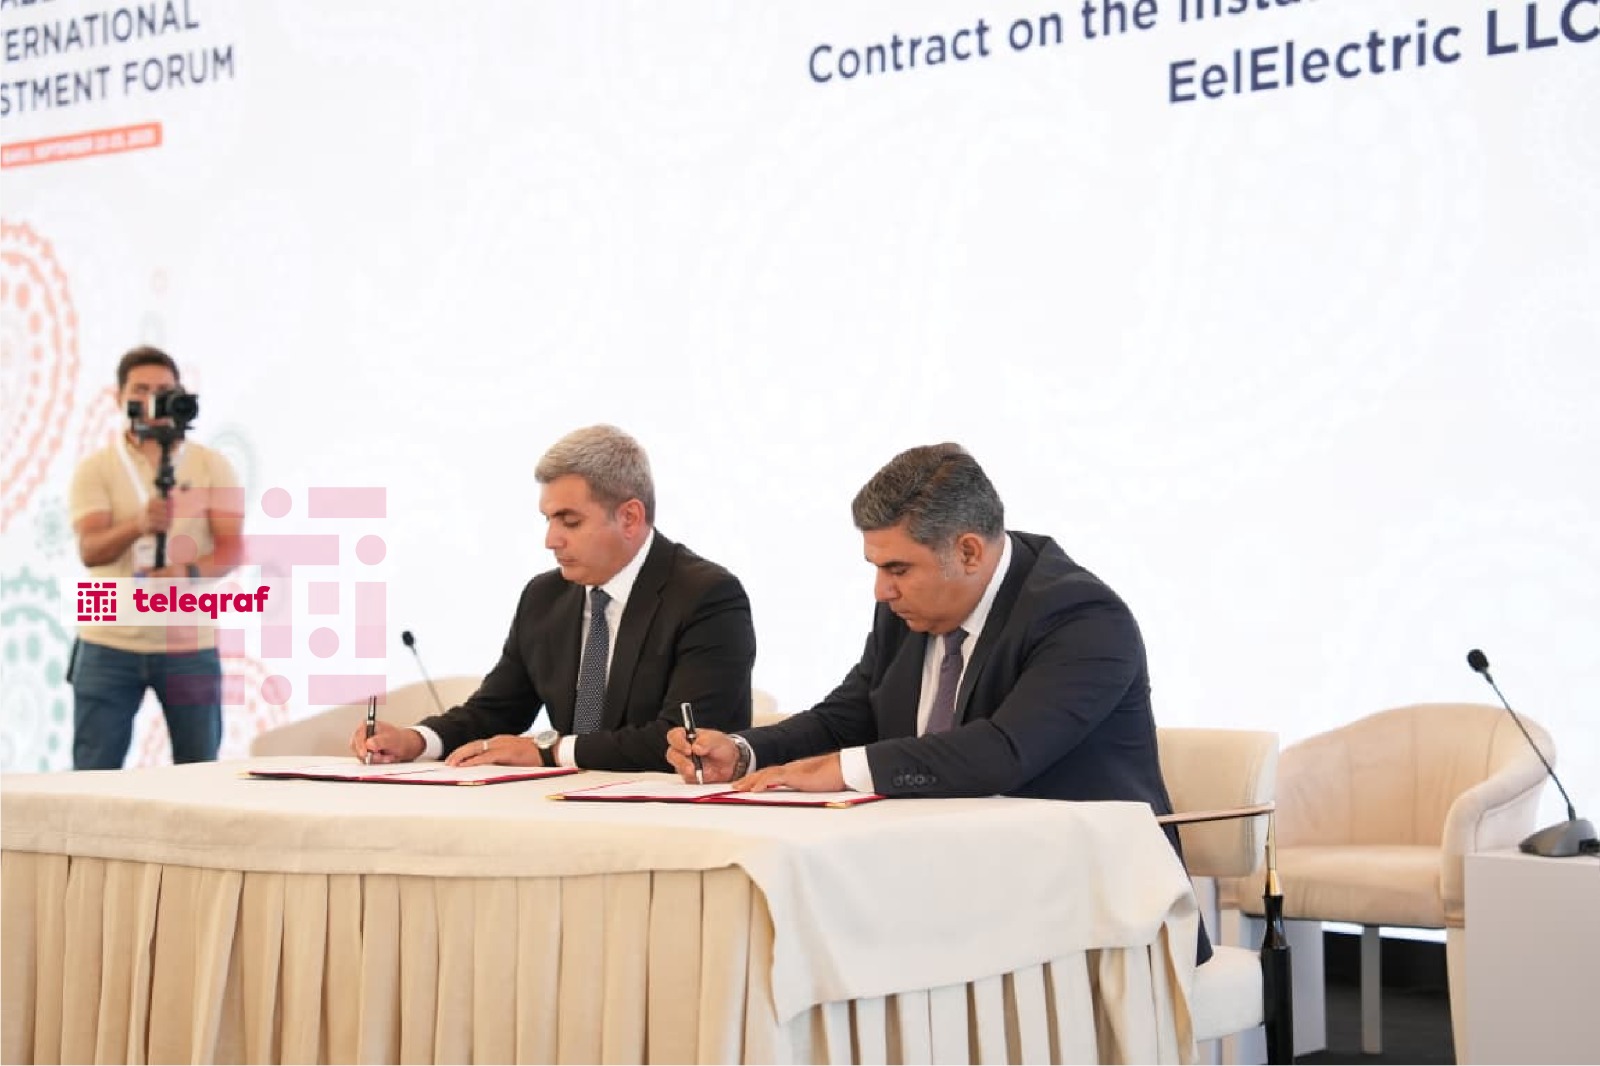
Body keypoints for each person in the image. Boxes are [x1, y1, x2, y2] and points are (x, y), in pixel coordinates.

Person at [666, 442, 1210, 962]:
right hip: (953, 888)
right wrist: (745, 752)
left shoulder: (1082, 617)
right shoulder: (910, 609)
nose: (881, 590)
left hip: (1093, 913)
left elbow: (1003, 752)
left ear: (968, 551)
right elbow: (848, 716)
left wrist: (843, 769)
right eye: (877, 568)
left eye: (897, 569)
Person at [354, 424, 755, 771]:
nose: (551, 540)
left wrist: (547, 751)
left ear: (629, 518)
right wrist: (416, 740)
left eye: (570, 521)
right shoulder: (544, 596)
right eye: (548, 520)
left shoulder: (707, 597)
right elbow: (496, 711)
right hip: (564, 811)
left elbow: (684, 740)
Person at [68, 347, 244, 770]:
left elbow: (231, 547)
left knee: (198, 770)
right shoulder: (96, 468)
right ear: (120, 398)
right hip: (109, 640)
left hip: (188, 641)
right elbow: (91, 551)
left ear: (180, 394)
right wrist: (138, 524)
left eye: (163, 390)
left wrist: (188, 572)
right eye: (141, 390)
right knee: (93, 772)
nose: (153, 399)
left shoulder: (211, 465)